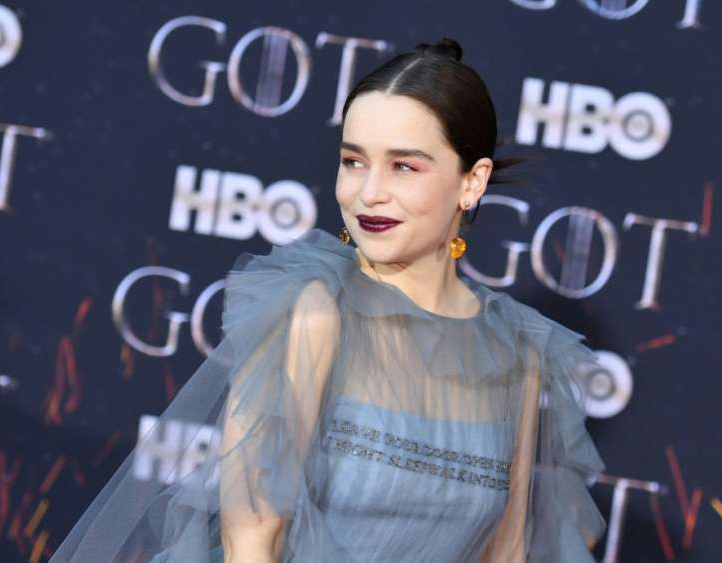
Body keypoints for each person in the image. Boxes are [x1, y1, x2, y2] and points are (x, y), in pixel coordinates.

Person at [49, 37, 607, 563]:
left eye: (404, 166)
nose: (368, 193)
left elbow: (505, 552)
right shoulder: (316, 314)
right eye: (353, 161)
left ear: (472, 181)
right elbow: (251, 538)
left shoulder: (517, 354)